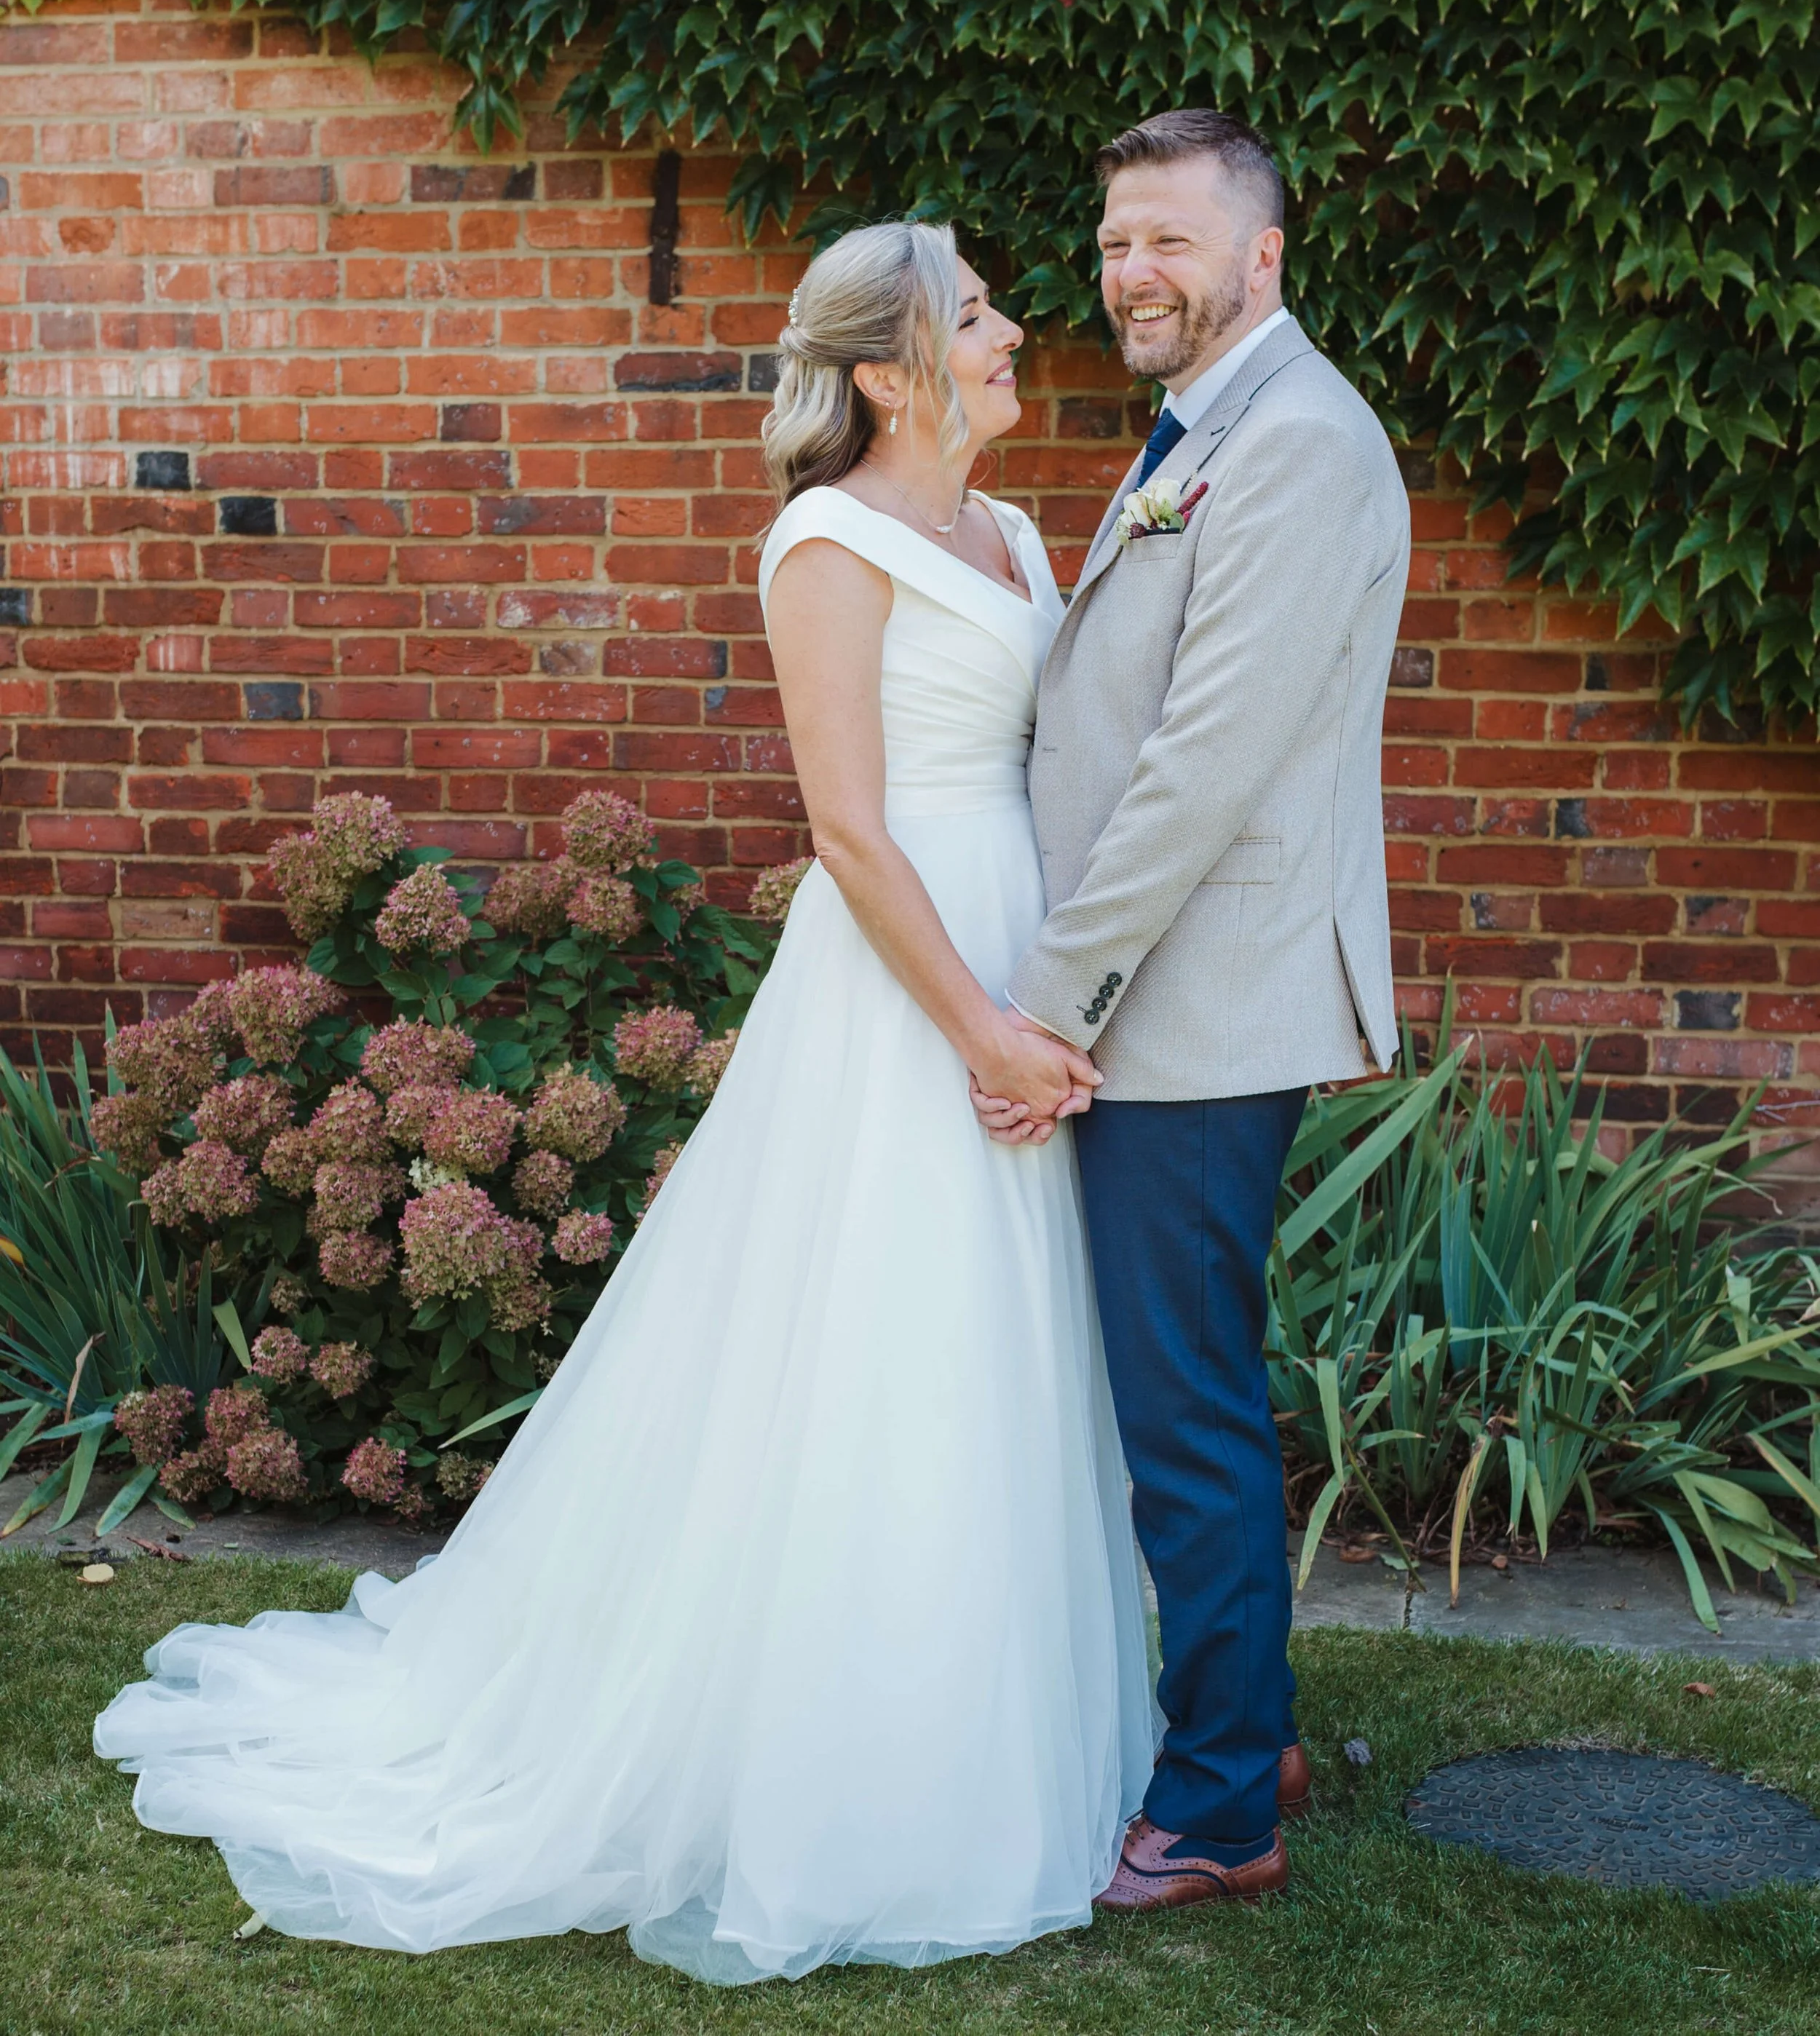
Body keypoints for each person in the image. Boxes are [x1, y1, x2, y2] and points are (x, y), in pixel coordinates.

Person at [93, 220, 1155, 1985]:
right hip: (903, 987)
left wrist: (1052, 994)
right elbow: (846, 831)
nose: (1011, 331)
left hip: (1013, 956)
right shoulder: (822, 542)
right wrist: (974, 1024)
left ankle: (971, 1717)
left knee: (996, 1350)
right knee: (872, 1344)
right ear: (889, 370)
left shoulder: (1017, 532)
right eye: (973, 316)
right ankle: (828, 1768)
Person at [973, 108, 1409, 1910]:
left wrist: (1045, 997)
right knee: (1195, 1386)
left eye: (1165, 240)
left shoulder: (1294, 443)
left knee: (1183, 1414)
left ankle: (1221, 1804)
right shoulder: (1207, 424)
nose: (1127, 272)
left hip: (1188, 1003)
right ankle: (1260, 1724)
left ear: (1260, 258)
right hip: (1167, 995)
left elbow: (1199, 768)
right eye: (1109, 242)